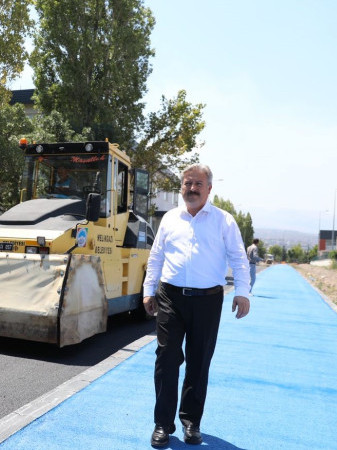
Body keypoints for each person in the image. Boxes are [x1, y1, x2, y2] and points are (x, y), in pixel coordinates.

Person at [142, 163, 251, 447]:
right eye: (187, 183)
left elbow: (239, 259)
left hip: (208, 300)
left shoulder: (224, 221)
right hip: (170, 296)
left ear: (209, 189)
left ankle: (191, 423)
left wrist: (243, 292)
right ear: (181, 187)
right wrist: (148, 290)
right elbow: (156, 257)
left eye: (198, 184)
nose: (192, 189)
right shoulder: (169, 219)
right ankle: (162, 424)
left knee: (199, 362)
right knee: (166, 359)